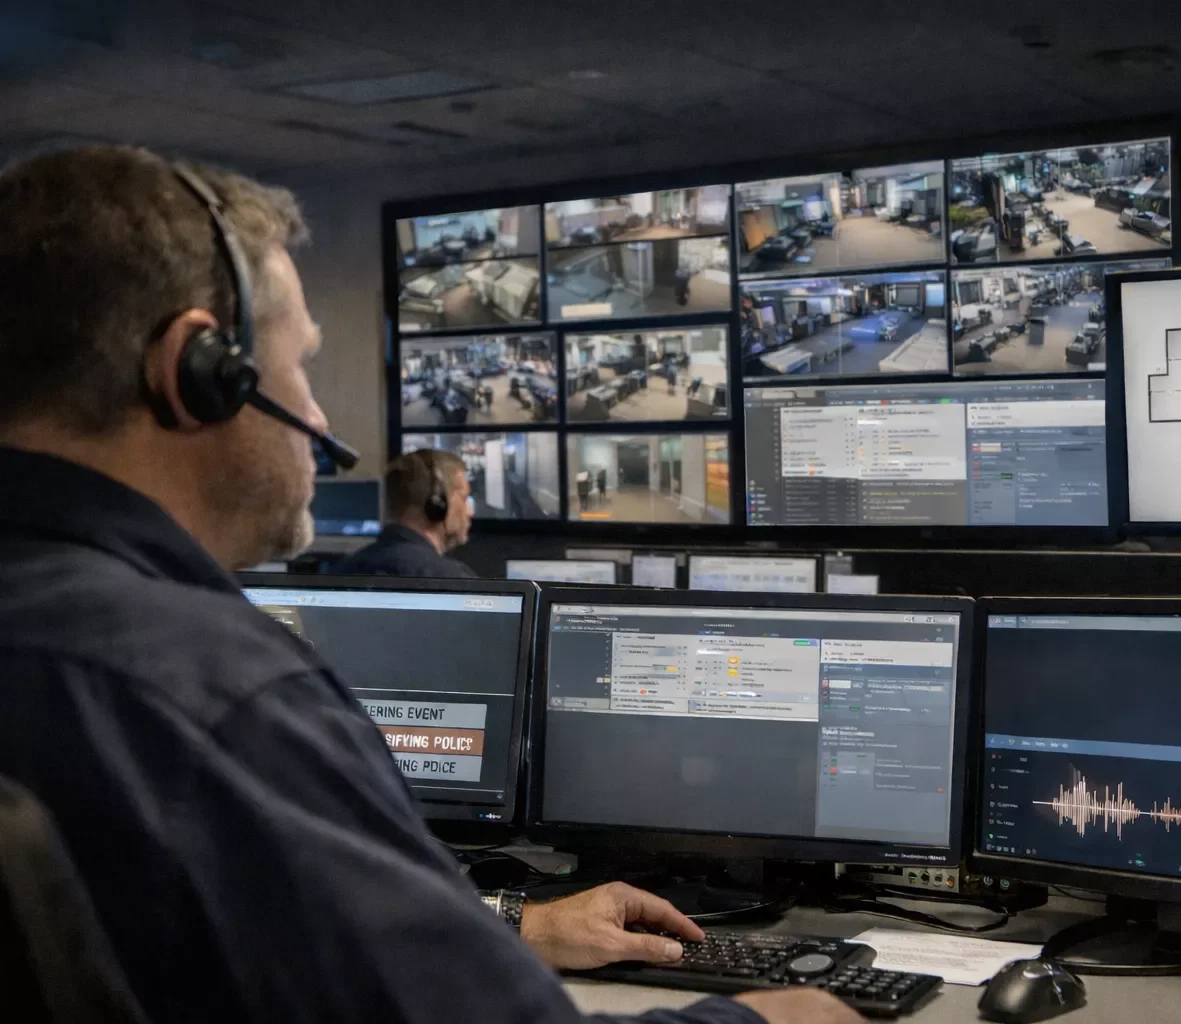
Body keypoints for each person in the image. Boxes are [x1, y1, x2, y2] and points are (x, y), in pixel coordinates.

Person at [0, 145, 857, 1024]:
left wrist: (504, 925)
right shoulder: (209, 694)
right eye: (302, 365)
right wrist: (760, 1020)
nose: (322, 419)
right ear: (196, 373)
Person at [330, 448, 478, 579]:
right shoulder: (453, 579)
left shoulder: (342, 571)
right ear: (437, 505)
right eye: (464, 498)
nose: (470, 512)